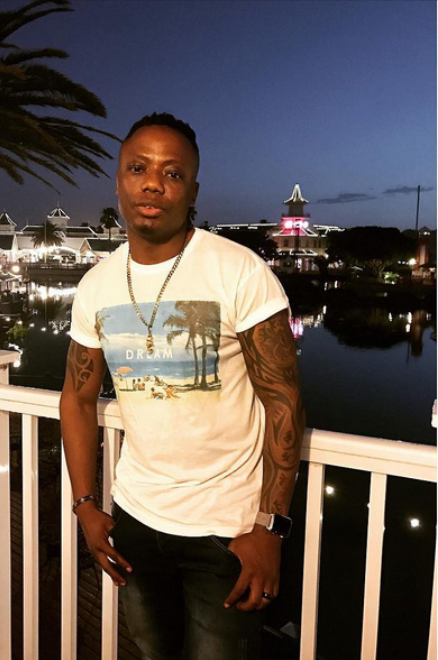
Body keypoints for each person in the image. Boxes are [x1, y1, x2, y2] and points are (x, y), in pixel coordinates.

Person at [60, 112, 306, 660]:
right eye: (138, 168)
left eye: (172, 173)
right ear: (118, 181)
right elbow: (76, 396)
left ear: (192, 192)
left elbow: (283, 402)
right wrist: (85, 505)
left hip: (225, 533)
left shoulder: (239, 271)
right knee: (151, 651)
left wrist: (271, 529)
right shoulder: (96, 284)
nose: (153, 183)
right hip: (134, 519)